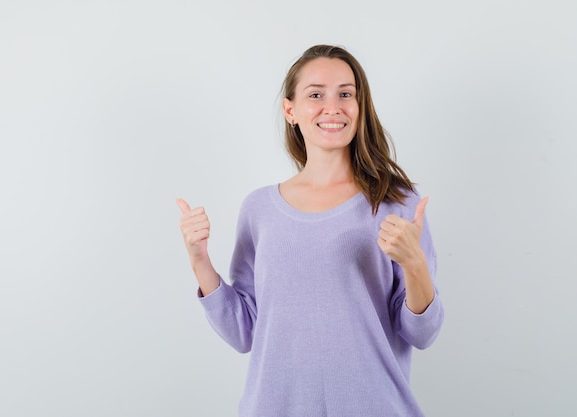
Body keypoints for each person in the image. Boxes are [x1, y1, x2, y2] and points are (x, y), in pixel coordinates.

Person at [176, 44, 444, 417]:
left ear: (360, 106)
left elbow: (422, 334)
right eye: (316, 94)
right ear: (291, 110)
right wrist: (199, 260)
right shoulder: (259, 209)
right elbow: (243, 332)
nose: (332, 107)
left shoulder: (397, 202)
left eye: (346, 94)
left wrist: (415, 264)